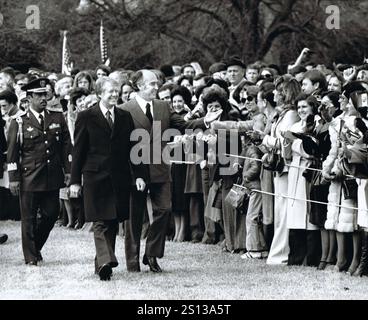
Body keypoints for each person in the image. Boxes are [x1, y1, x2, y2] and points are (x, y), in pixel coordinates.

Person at [119, 69, 222, 273]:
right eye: (151, 84)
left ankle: (152, 255)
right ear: (139, 86)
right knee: (134, 217)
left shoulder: (163, 107)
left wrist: (206, 120)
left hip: (160, 168)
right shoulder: (125, 109)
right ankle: (132, 261)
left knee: (164, 210)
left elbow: (184, 125)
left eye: (157, 83)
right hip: (134, 170)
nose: (156, 87)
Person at [69, 77, 146, 281]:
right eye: (110, 91)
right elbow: (79, 151)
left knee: (112, 220)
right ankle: (106, 261)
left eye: (117, 91)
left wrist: (138, 175)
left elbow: (133, 150)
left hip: (119, 178)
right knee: (100, 221)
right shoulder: (86, 116)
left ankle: (101, 264)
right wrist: (75, 181)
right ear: (99, 94)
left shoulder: (124, 116)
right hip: (95, 177)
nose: (114, 94)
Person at [7, 77, 72, 266]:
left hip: (52, 175)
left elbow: (66, 147)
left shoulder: (57, 117)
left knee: (52, 214)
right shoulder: (18, 122)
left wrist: (68, 170)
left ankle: (35, 248)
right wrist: (13, 178)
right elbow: (12, 153)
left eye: (45, 94)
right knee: (28, 218)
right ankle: (31, 257)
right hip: (29, 177)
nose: (44, 98)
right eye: (39, 95)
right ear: (29, 99)